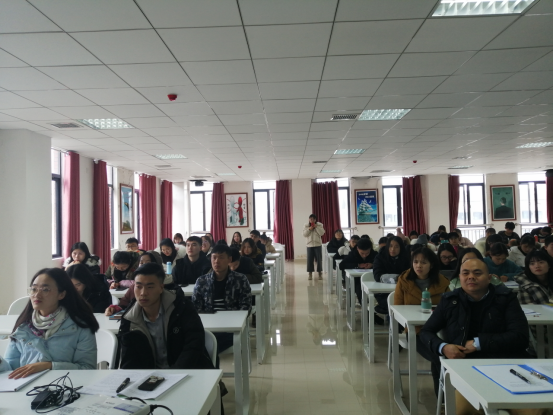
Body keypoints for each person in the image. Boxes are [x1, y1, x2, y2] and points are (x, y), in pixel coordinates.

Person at [419, 258, 531, 401]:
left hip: (506, 363)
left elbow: (521, 337)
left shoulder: (506, 298)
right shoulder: (450, 300)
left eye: (477, 273)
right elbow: (426, 332)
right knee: (466, 406)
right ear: (459, 277)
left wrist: (478, 343)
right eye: (465, 273)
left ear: (489, 278)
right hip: (466, 366)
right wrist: (443, 347)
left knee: (532, 409)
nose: (471, 277)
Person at [0, 268, 98, 377]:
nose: (37, 295)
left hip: (66, 385)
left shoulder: (80, 326)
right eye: (34, 289)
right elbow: (11, 369)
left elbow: (87, 369)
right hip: (29, 386)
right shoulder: (23, 326)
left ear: (61, 294)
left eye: (45, 290)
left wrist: (50, 366)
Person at [116, 262, 214, 370]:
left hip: (187, 372)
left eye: (150, 287)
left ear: (161, 288)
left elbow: (194, 344)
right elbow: (128, 360)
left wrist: (175, 374)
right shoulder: (129, 319)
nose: (143, 293)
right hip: (149, 377)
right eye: (138, 287)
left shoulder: (181, 307)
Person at [192, 244, 252, 354]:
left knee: (207, 345)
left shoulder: (240, 280)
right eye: (214, 257)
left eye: (221, 257)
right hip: (208, 327)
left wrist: (233, 320)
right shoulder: (202, 281)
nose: (216, 261)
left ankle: (207, 355)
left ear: (229, 259)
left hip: (231, 327)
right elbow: (195, 308)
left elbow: (246, 307)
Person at [394, 247, 450, 332]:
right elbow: (398, 307)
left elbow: (449, 306)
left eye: (423, 262)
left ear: (431, 265)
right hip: (413, 327)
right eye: (415, 262)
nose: (419, 266)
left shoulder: (442, 282)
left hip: (438, 328)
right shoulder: (404, 280)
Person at [516, 249, 553, 355]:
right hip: (540, 327)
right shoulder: (525, 284)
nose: (537, 266)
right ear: (528, 267)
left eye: (541, 262)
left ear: (549, 264)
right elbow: (530, 310)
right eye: (532, 263)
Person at [105, 251, 163, 316]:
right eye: (141, 262)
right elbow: (124, 304)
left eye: (150, 287)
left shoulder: (167, 289)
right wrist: (114, 309)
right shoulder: (134, 286)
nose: (143, 293)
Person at [372, 236, 411, 320]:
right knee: (393, 304)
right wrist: (398, 278)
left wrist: (398, 278)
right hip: (383, 292)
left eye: (396, 247)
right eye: (390, 246)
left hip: (402, 291)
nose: (393, 249)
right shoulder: (380, 257)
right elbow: (378, 276)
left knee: (407, 304)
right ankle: (393, 322)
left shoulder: (406, 258)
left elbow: (410, 274)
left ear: (401, 248)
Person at [339, 238, 377, 305]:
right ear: (357, 249)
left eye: (367, 253)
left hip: (372, 279)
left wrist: (372, 265)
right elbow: (341, 265)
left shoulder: (375, 254)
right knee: (359, 288)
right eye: (362, 253)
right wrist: (358, 265)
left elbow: (382, 265)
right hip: (357, 279)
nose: (364, 255)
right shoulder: (353, 254)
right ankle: (365, 307)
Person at [303, 214, 325, 280]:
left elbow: (322, 233)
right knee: (310, 260)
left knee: (319, 260)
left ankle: (320, 273)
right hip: (309, 245)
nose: (311, 220)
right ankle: (310, 274)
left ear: (315, 220)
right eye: (310, 219)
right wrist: (309, 229)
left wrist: (316, 227)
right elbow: (304, 234)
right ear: (309, 220)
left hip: (318, 245)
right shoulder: (306, 226)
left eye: (313, 219)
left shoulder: (319, 225)